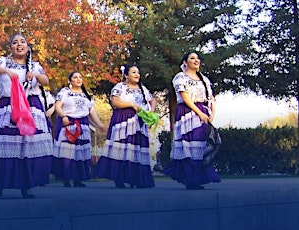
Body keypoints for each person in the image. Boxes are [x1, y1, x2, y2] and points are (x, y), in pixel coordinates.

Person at [0, 34, 53, 198]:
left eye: (22, 42)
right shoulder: (4, 61)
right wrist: (8, 71)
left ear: (27, 46)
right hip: (9, 104)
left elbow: (45, 80)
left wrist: (36, 76)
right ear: (10, 47)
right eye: (15, 42)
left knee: (26, 146)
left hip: (29, 105)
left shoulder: (35, 66)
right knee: (4, 144)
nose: (19, 45)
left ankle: (26, 184)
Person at [162, 52, 221, 190]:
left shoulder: (204, 79)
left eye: (197, 58)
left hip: (203, 113)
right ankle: (190, 179)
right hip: (188, 112)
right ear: (185, 62)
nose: (196, 60)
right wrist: (199, 112)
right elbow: (185, 97)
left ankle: (199, 177)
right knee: (189, 145)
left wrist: (211, 112)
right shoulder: (180, 77)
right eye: (192, 58)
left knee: (202, 146)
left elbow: (210, 97)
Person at [94, 64, 157, 188]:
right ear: (126, 75)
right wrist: (132, 105)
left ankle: (136, 178)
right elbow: (115, 101)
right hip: (123, 118)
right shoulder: (120, 87)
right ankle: (120, 177)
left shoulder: (142, 88)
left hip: (139, 120)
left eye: (138, 72)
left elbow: (152, 100)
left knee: (136, 148)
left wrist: (150, 112)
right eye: (133, 72)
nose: (137, 75)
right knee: (123, 148)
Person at [51, 71, 106, 187]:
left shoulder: (87, 95)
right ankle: (66, 177)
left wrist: (99, 124)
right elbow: (58, 106)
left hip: (83, 124)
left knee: (80, 152)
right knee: (67, 152)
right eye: (75, 77)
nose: (78, 79)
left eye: (80, 77)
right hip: (69, 123)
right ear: (70, 80)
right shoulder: (65, 92)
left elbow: (92, 112)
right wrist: (64, 116)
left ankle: (78, 178)